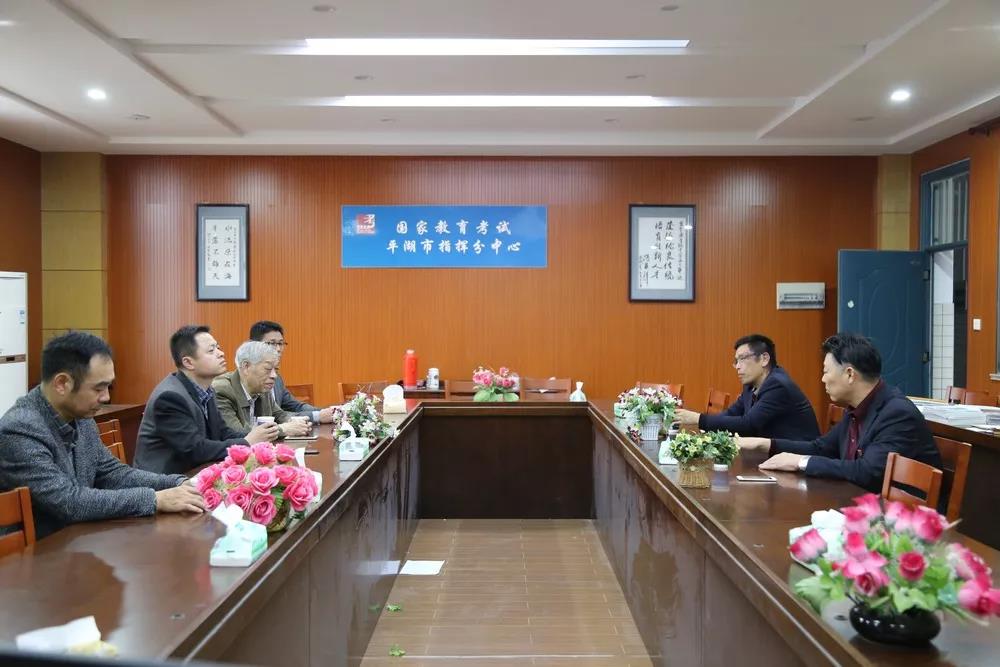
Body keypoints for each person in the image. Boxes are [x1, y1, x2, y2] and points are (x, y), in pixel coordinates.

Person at [0, 332, 205, 539]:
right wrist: (155, 499)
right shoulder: (20, 429)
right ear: (62, 383)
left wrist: (177, 483)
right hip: (41, 551)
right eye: (98, 388)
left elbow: (112, 473)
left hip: (80, 539)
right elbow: (67, 501)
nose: (106, 397)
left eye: (108, 386)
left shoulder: (80, 416)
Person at [739, 332, 942, 493]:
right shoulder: (856, 408)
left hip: (906, 521)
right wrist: (765, 444)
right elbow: (821, 448)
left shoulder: (896, 413)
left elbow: (868, 471)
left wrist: (800, 462)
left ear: (850, 374)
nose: (823, 379)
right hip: (864, 504)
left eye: (826, 371)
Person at [134, 325, 279, 475]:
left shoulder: (206, 390)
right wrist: (247, 442)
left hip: (195, 473)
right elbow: (195, 450)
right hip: (166, 481)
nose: (221, 353)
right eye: (211, 351)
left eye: (218, 348)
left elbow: (223, 433)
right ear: (188, 362)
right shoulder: (170, 397)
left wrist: (257, 436)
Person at [675, 334, 820, 439]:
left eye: (742, 359)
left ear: (764, 359)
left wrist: (699, 419)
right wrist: (702, 424)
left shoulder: (778, 385)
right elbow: (731, 413)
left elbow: (748, 425)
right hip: (772, 457)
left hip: (798, 460)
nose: (737, 366)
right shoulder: (751, 385)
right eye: (736, 361)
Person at [213, 341, 313, 437]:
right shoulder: (221, 390)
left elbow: (280, 415)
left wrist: (295, 421)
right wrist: (283, 429)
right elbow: (236, 433)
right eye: (268, 369)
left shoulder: (262, 388)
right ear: (246, 366)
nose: (274, 375)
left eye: (276, 370)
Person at [248, 320, 336, 423]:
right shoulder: (249, 378)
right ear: (254, 345)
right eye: (272, 343)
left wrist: (328, 412)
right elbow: (269, 417)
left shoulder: (277, 379)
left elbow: (296, 406)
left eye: (280, 343)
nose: (278, 349)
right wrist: (317, 416)